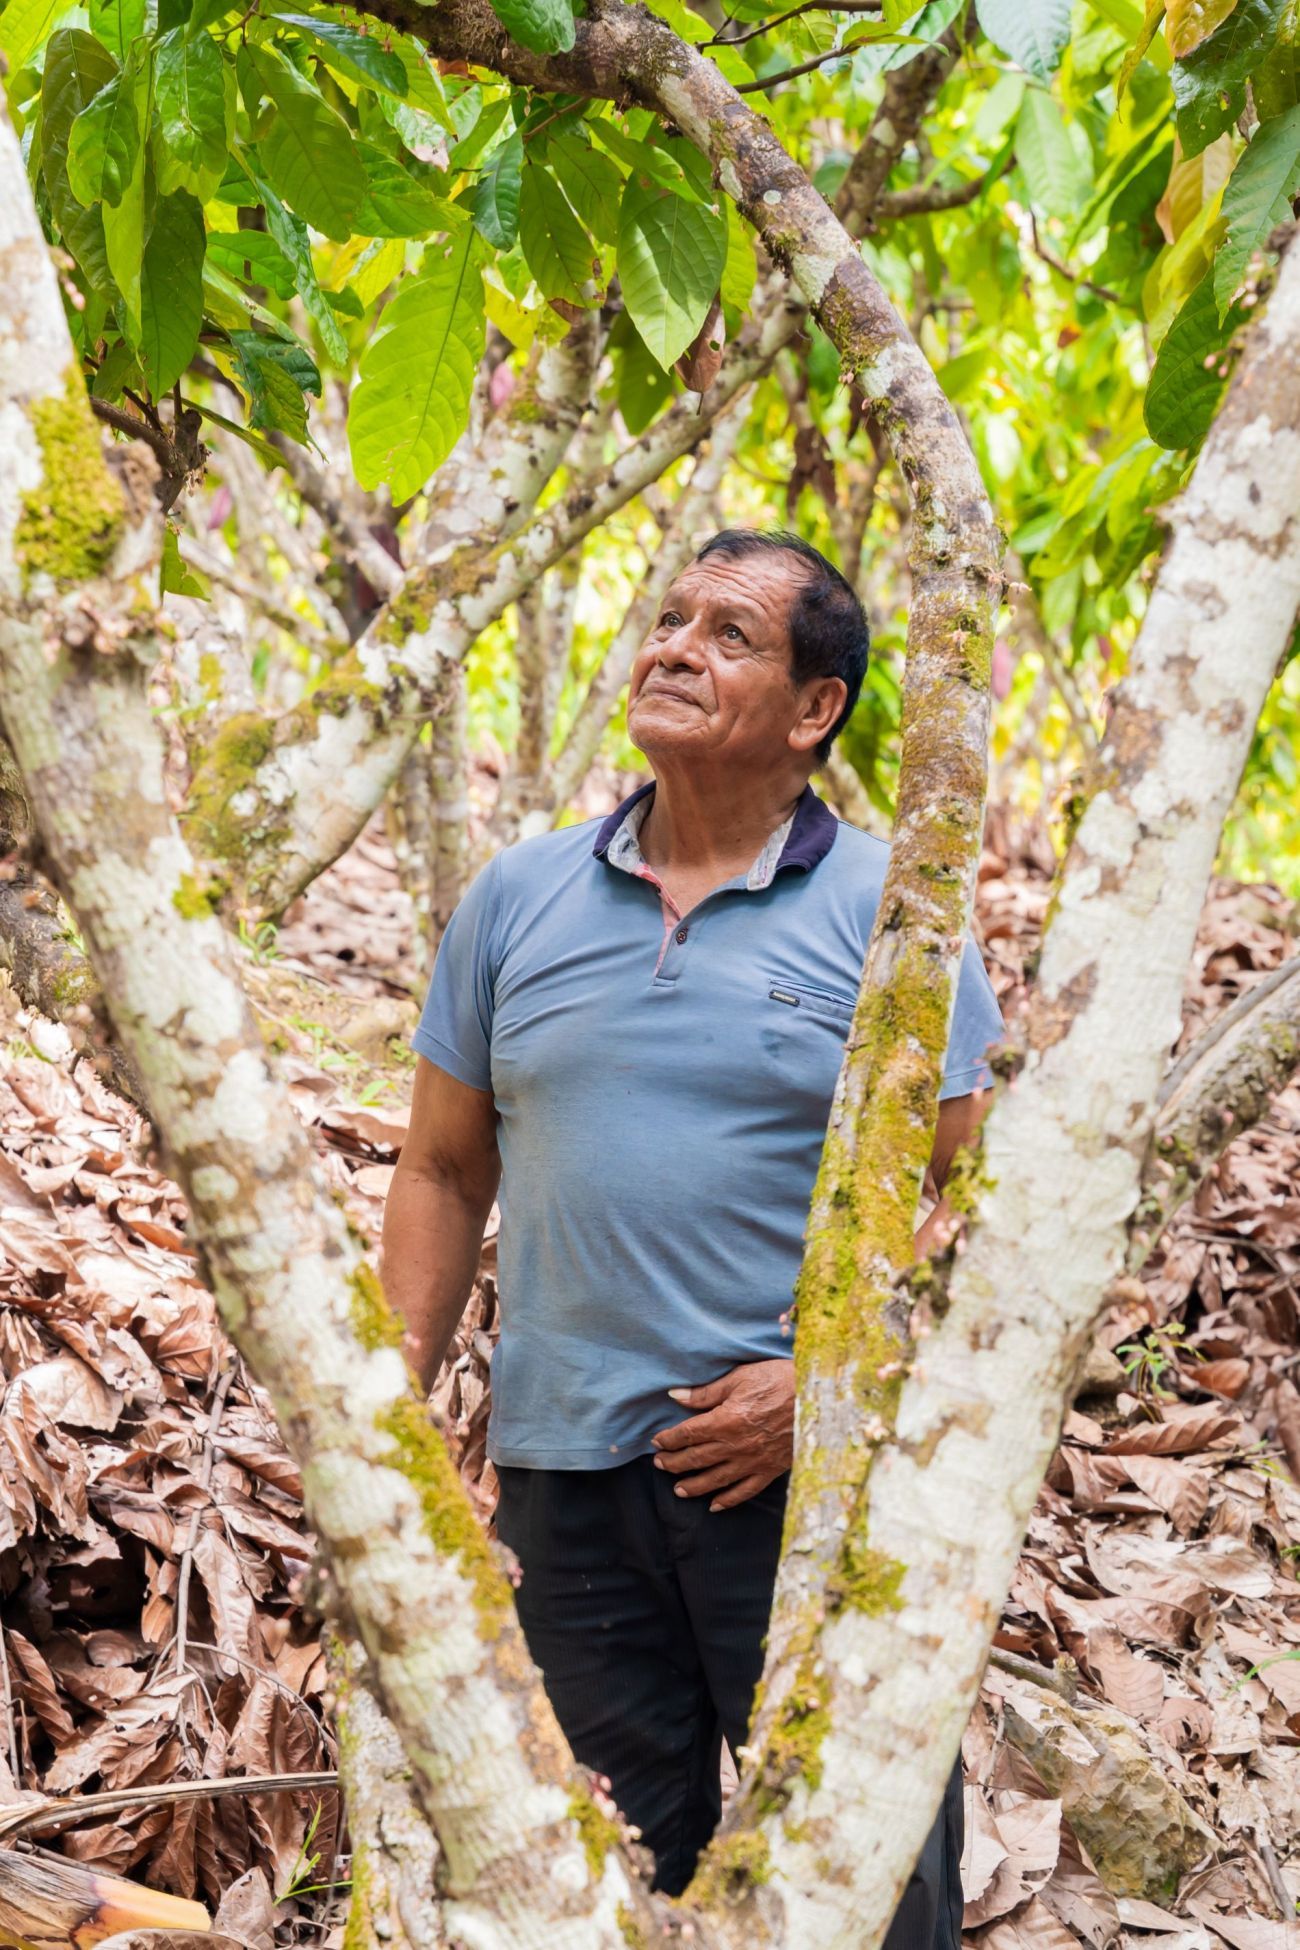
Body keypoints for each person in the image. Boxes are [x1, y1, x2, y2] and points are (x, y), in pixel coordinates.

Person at [382, 528, 1003, 1945]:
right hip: (566, 1476)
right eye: (669, 619)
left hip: (804, 1494)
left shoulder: (894, 916)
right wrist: (391, 1407)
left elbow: (966, 1197)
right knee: (601, 1877)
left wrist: (825, 1384)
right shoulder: (519, 896)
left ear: (813, 709)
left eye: (729, 634)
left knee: (869, 1875)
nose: (673, 645)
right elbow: (437, 1163)